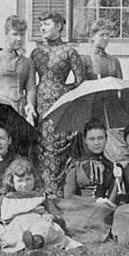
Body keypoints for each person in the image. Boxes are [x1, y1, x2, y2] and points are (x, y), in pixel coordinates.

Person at [29, 11, 85, 193]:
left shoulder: (69, 51)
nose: (42, 28)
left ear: (59, 26)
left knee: (56, 152)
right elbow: (29, 81)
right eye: (41, 25)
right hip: (38, 107)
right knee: (39, 149)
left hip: (60, 108)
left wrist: (61, 91)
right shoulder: (36, 52)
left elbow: (80, 82)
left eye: (47, 24)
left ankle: (58, 195)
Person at [0, 157, 81, 254]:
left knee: (44, 229)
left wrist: (52, 217)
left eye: (28, 179)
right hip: (17, 226)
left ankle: (35, 242)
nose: (25, 184)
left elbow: (58, 215)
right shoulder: (5, 198)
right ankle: (31, 244)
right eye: (20, 181)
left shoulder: (41, 196)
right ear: (12, 182)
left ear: (35, 179)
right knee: (13, 236)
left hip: (38, 222)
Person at [56, 120, 122, 244]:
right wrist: (93, 201)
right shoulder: (75, 165)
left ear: (106, 138)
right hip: (79, 207)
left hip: (103, 209)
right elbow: (68, 196)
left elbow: (112, 202)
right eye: (92, 139)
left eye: (100, 138)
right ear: (85, 140)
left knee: (107, 212)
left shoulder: (112, 165)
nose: (97, 143)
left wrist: (118, 178)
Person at [83, 18, 128, 162]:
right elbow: (80, 86)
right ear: (91, 36)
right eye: (102, 35)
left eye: (108, 35)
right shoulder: (84, 59)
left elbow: (120, 87)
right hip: (92, 108)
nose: (106, 38)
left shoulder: (114, 61)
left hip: (112, 108)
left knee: (115, 149)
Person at [0, 15, 37, 120]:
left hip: (21, 109)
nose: (19, 38)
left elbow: (31, 88)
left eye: (22, 34)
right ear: (6, 35)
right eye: (14, 34)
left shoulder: (28, 62)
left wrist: (30, 105)